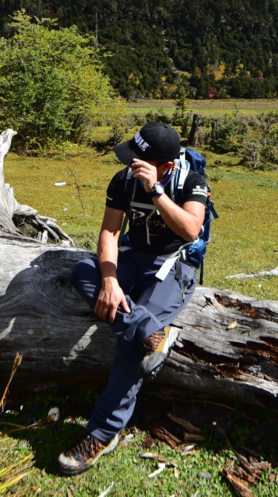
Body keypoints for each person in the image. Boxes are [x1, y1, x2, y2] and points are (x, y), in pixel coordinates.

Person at [57, 121, 209, 476]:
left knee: (128, 346)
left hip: (174, 266)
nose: (131, 164)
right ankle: (152, 334)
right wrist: (109, 280)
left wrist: (155, 190)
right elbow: (110, 232)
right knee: (83, 272)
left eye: (141, 159)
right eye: (132, 156)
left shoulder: (191, 182)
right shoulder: (123, 180)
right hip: (132, 257)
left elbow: (191, 229)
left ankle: (102, 432)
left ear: (165, 166)